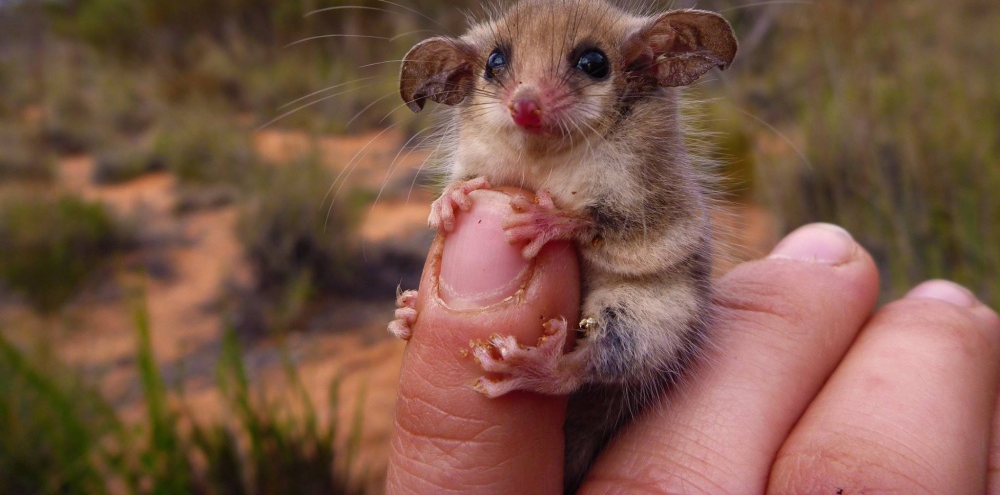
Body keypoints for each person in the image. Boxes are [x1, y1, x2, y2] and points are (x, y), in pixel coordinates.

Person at [385, 189, 1000, 494]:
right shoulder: (487, 153)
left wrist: (579, 224)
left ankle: (568, 366)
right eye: (497, 67)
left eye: (589, 66)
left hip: (620, 345)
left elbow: (665, 239)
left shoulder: (639, 164)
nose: (525, 101)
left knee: (644, 320)